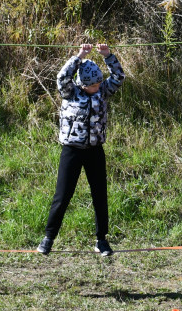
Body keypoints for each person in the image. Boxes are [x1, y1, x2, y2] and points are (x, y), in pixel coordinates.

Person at [38, 42, 125, 256]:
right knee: (63, 195)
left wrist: (107, 55)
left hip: (95, 150)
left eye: (99, 82)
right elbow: (61, 77)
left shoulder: (103, 91)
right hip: (72, 151)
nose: (98, 86)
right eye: (93, 84)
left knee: (99, 195)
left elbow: (119, 77)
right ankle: (49, 238)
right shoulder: (70, 92)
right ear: (84, 84)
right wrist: (79, 56)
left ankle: (101, 240)